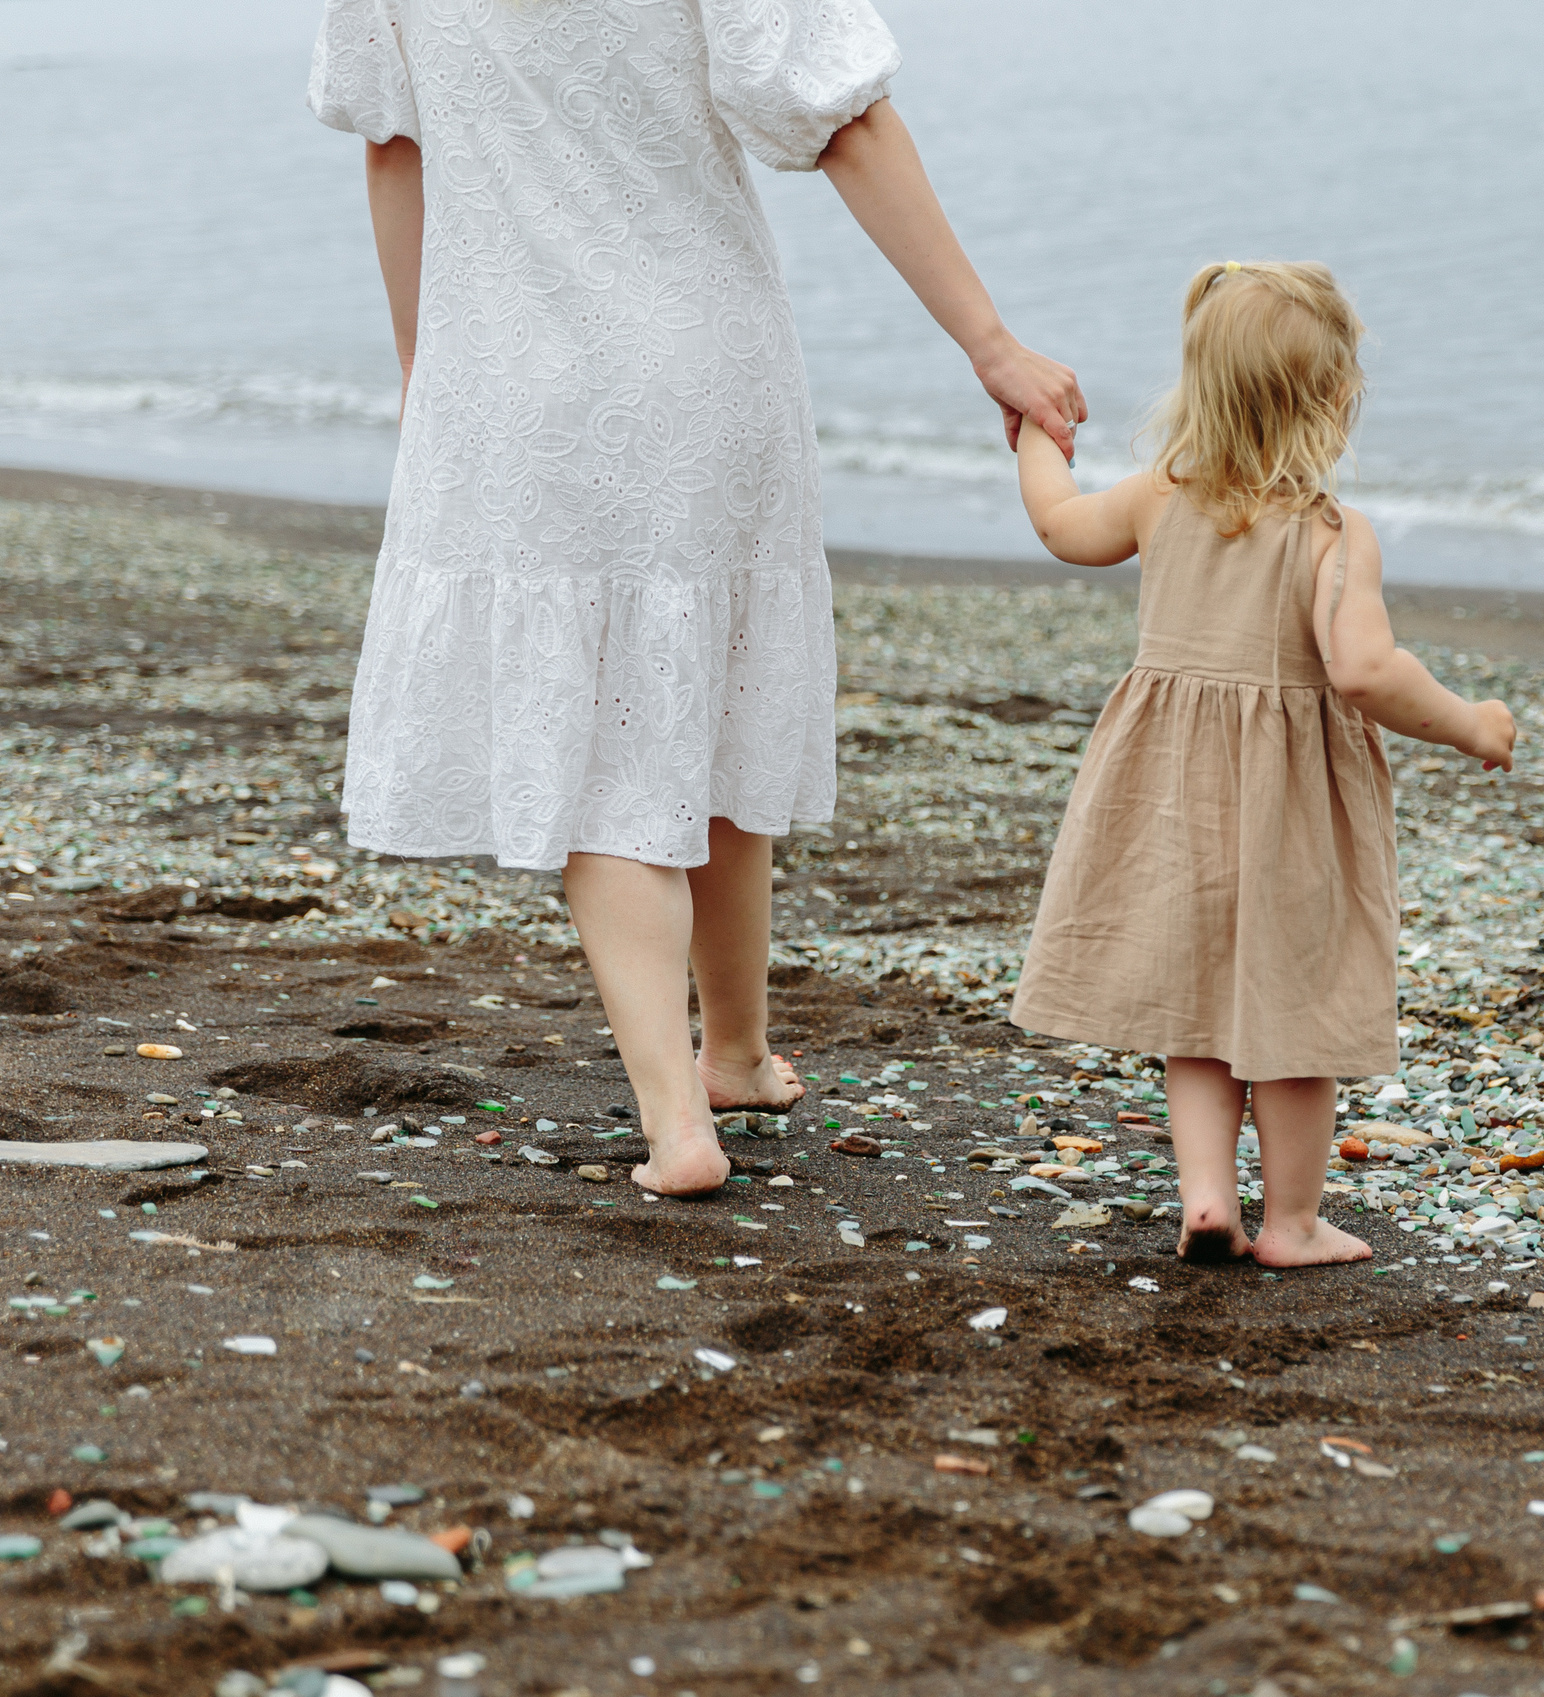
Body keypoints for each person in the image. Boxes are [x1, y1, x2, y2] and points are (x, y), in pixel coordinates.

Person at [309, 0, 1081, 1198]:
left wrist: (425, 369)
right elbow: (843, 121)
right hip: (702, 362)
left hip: (510, 378)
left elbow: (391, 144)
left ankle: (711, 1085)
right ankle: (717, 1074)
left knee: (613, 746)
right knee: (710, 686)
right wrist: (990, 345)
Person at [1007, 261, 1517, 1268]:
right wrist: (1471, 724)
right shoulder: (1334, 535)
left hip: (1172, 793)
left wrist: (1035, 433)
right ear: (1333, 400)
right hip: (1292, 807)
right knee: (1296, 1010)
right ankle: (1291, 1222)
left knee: (1195, 1004)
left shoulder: (1161, 499)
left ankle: (1207, 1199)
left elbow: (1060, 524)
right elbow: (1363, 670)